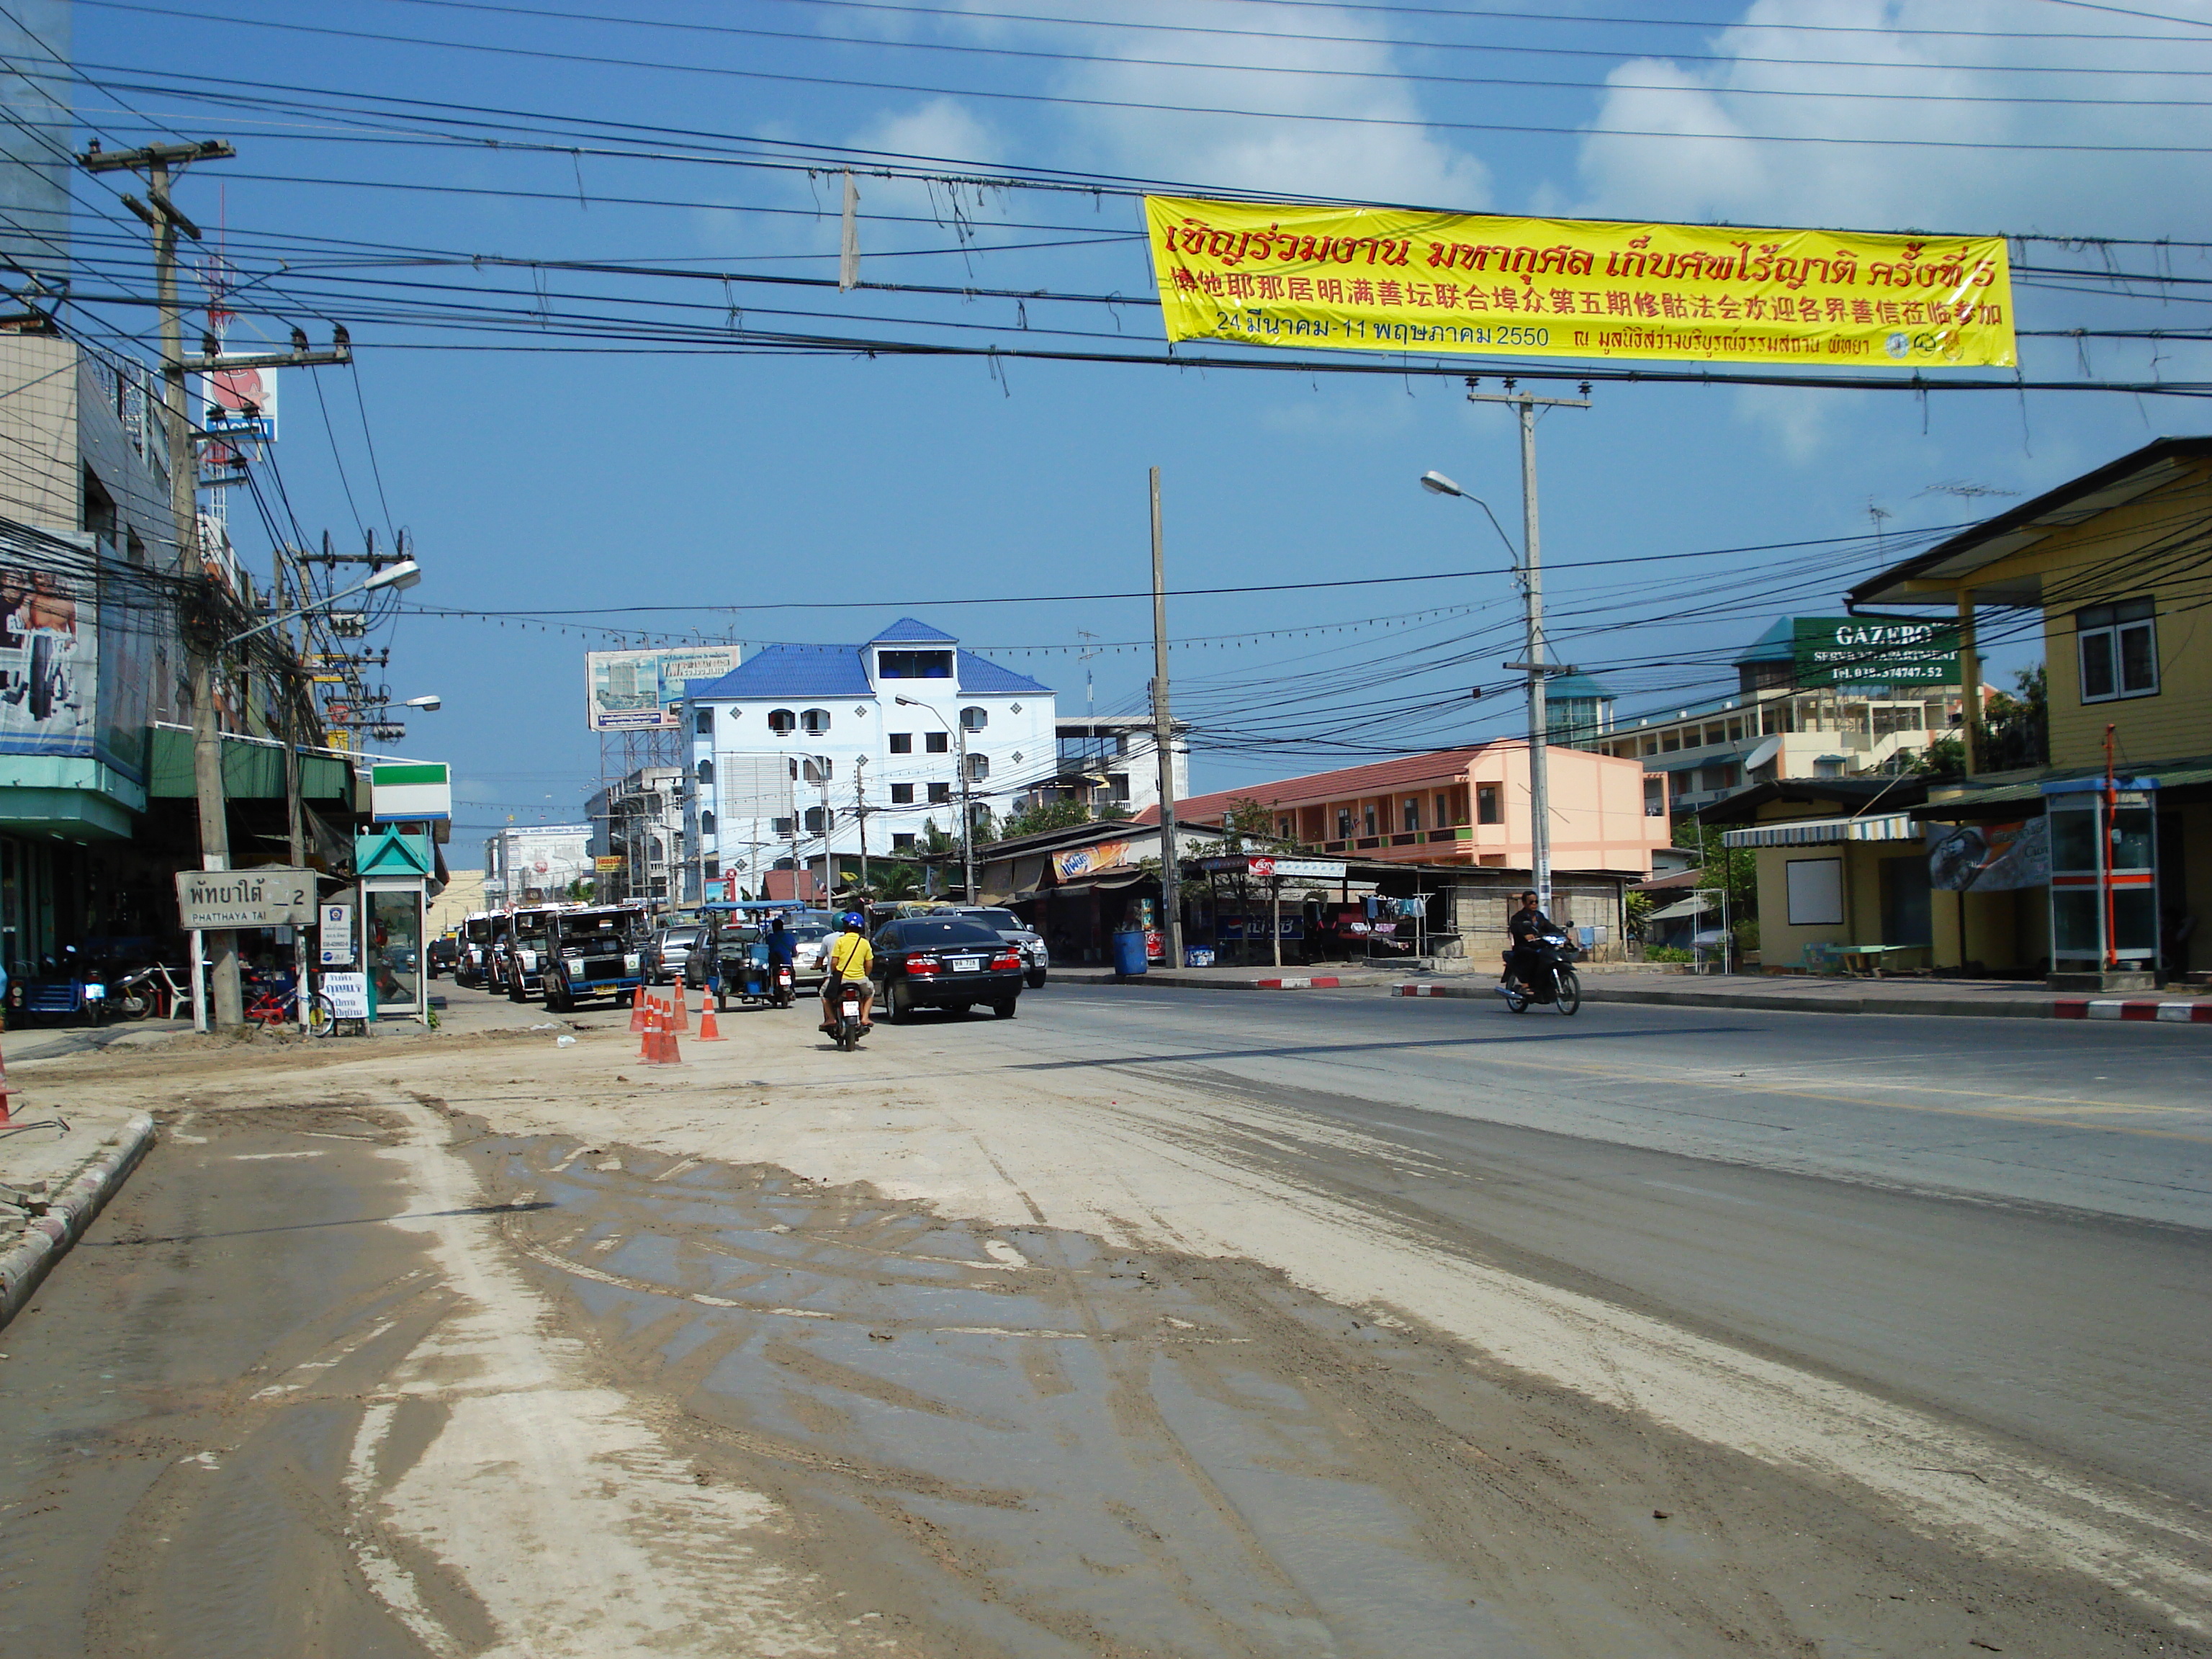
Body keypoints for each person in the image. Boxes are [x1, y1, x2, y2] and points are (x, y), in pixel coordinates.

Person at [819, 912, 875, 1033]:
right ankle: (865, 1017)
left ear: (845, 926)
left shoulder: (840, 941)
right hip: (860, 980)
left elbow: (834, 963)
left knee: (823, 993)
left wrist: (834, 973)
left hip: (842, 980)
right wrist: (865, 975)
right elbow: (869, 965)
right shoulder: (864, 943)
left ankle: (831, 1019)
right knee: (870, 992)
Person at [1502, 890, 1565, 991]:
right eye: (1531, 902)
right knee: (1532, 956)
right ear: (1524, 903)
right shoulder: (1518, 917)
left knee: (1553, 954)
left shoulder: (1539, 916)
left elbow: (1550, 927)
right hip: (1524, 947)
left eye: (1536, 901)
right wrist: (1525, 935)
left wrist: (1564, 935)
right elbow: (1516, 928)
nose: (1534, 904)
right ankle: (1527, 983)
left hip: (1539, 945)